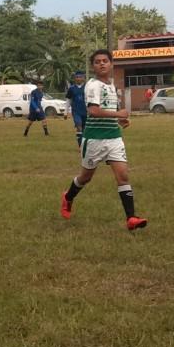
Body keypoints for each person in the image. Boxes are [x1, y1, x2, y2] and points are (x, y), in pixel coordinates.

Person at [60, 50, 148, 231]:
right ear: (93, 66)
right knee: (85, 177)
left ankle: (131, 218)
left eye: (105, 61)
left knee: (123, 176)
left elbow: (109, 110)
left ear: (111, 64)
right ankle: (68, 197)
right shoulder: (92, 86)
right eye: (97, 61)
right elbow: (93, 111)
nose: (101, 64)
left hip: (114, 137)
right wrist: (119, 113)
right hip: (94, 138)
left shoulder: (111, 86)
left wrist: (120, 120)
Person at [66, 72, 87, 146]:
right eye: (77, 77)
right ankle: (80, 146)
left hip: (86, 111)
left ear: (84, 78)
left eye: (80, 77)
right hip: (76, 111)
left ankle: (85, 144)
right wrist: (66, 112)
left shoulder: (87, 87)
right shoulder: (71, 88)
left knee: (85, 129)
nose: (78, 79)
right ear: (74, 78)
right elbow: (68, 100)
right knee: (79, 126)